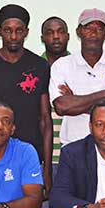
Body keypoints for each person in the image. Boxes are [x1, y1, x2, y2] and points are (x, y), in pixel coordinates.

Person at [0, 4, 52, 196]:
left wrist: (46, 169)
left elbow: (45, 120)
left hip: (30, 159)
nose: (13, 37)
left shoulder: (40, 66)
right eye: (8, 31)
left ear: (27, 32)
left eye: (19, 31)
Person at [49, 8, 105, 145]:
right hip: (73, 145)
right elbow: (62, 107)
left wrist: (76, 101)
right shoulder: (62, 65)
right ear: (78, 31)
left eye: (99, 29)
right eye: (88, 28)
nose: (93, 33)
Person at [40, 16, 71, 166]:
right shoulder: (33, 69)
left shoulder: (81, 67)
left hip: (73, 154)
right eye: (50, 33)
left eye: (60, 32)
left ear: (68, 36)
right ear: (42, 38)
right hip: (41, 156)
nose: (56, 37)